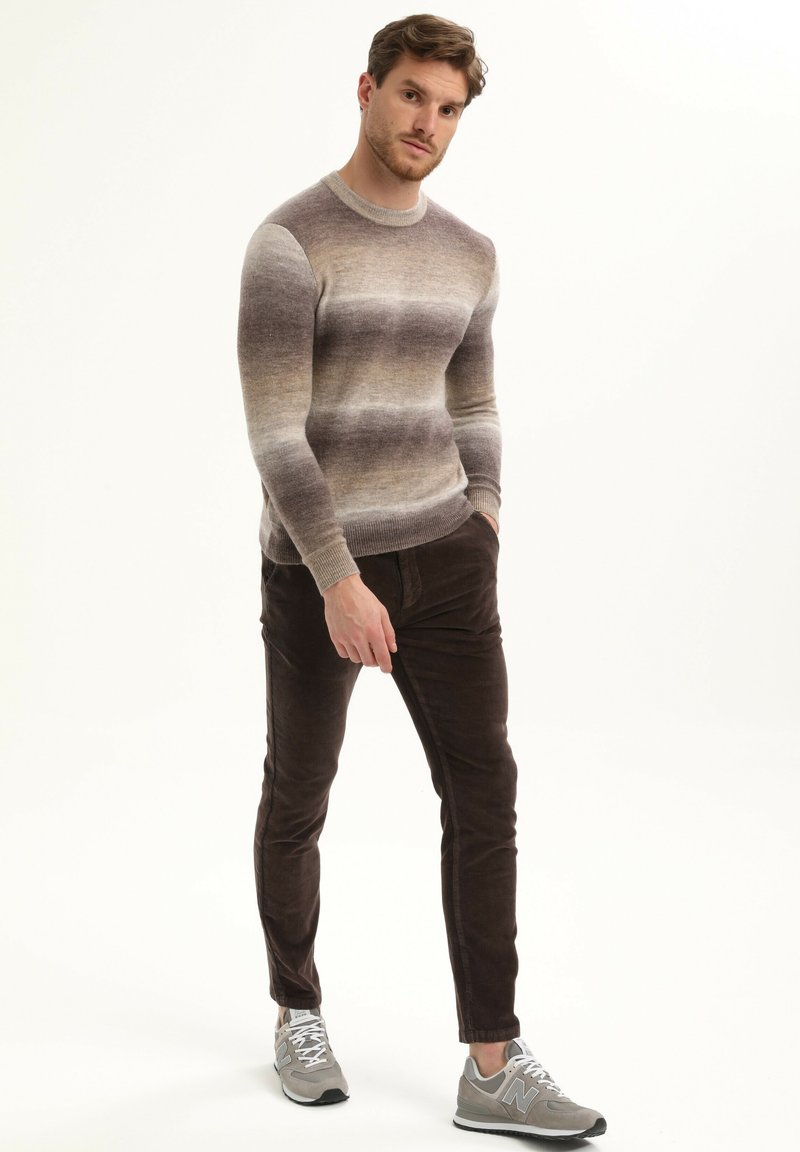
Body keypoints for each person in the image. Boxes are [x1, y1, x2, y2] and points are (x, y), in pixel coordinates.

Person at [237, 13, 606, 1140]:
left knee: (484, 794)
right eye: (410, 96)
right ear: (366, 91)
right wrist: (337, 577)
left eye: (447, 109)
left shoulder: (470, 253)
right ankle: (298, 1012)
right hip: (320, 573)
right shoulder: (289, 242)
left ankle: (491, 1063)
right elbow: (276, 436)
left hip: (448, 561)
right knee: (300, 791)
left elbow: (473, 399)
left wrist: (483, 516)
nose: (426, 124)